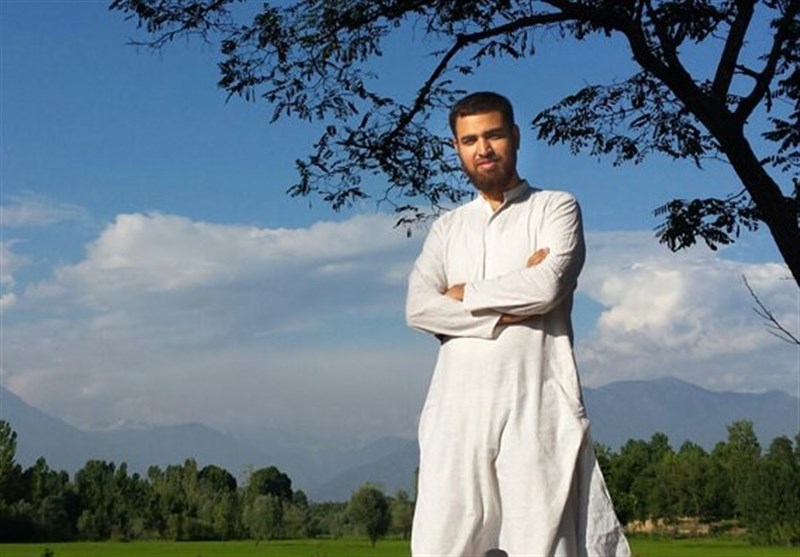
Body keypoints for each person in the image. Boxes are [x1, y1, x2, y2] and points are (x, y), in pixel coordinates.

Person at [406, 91, 630, 557]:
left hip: (536, 400)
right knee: (441, 544)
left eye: (493, 135)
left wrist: (463, 293)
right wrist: (510, 306)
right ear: (456, 148)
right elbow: (419, 308)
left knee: (542, 543)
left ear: (515, 137)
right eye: (470, 140)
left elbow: (547, 287)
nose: (483, 149)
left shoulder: (555, 208)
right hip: (455, 409)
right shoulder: (448, 228)